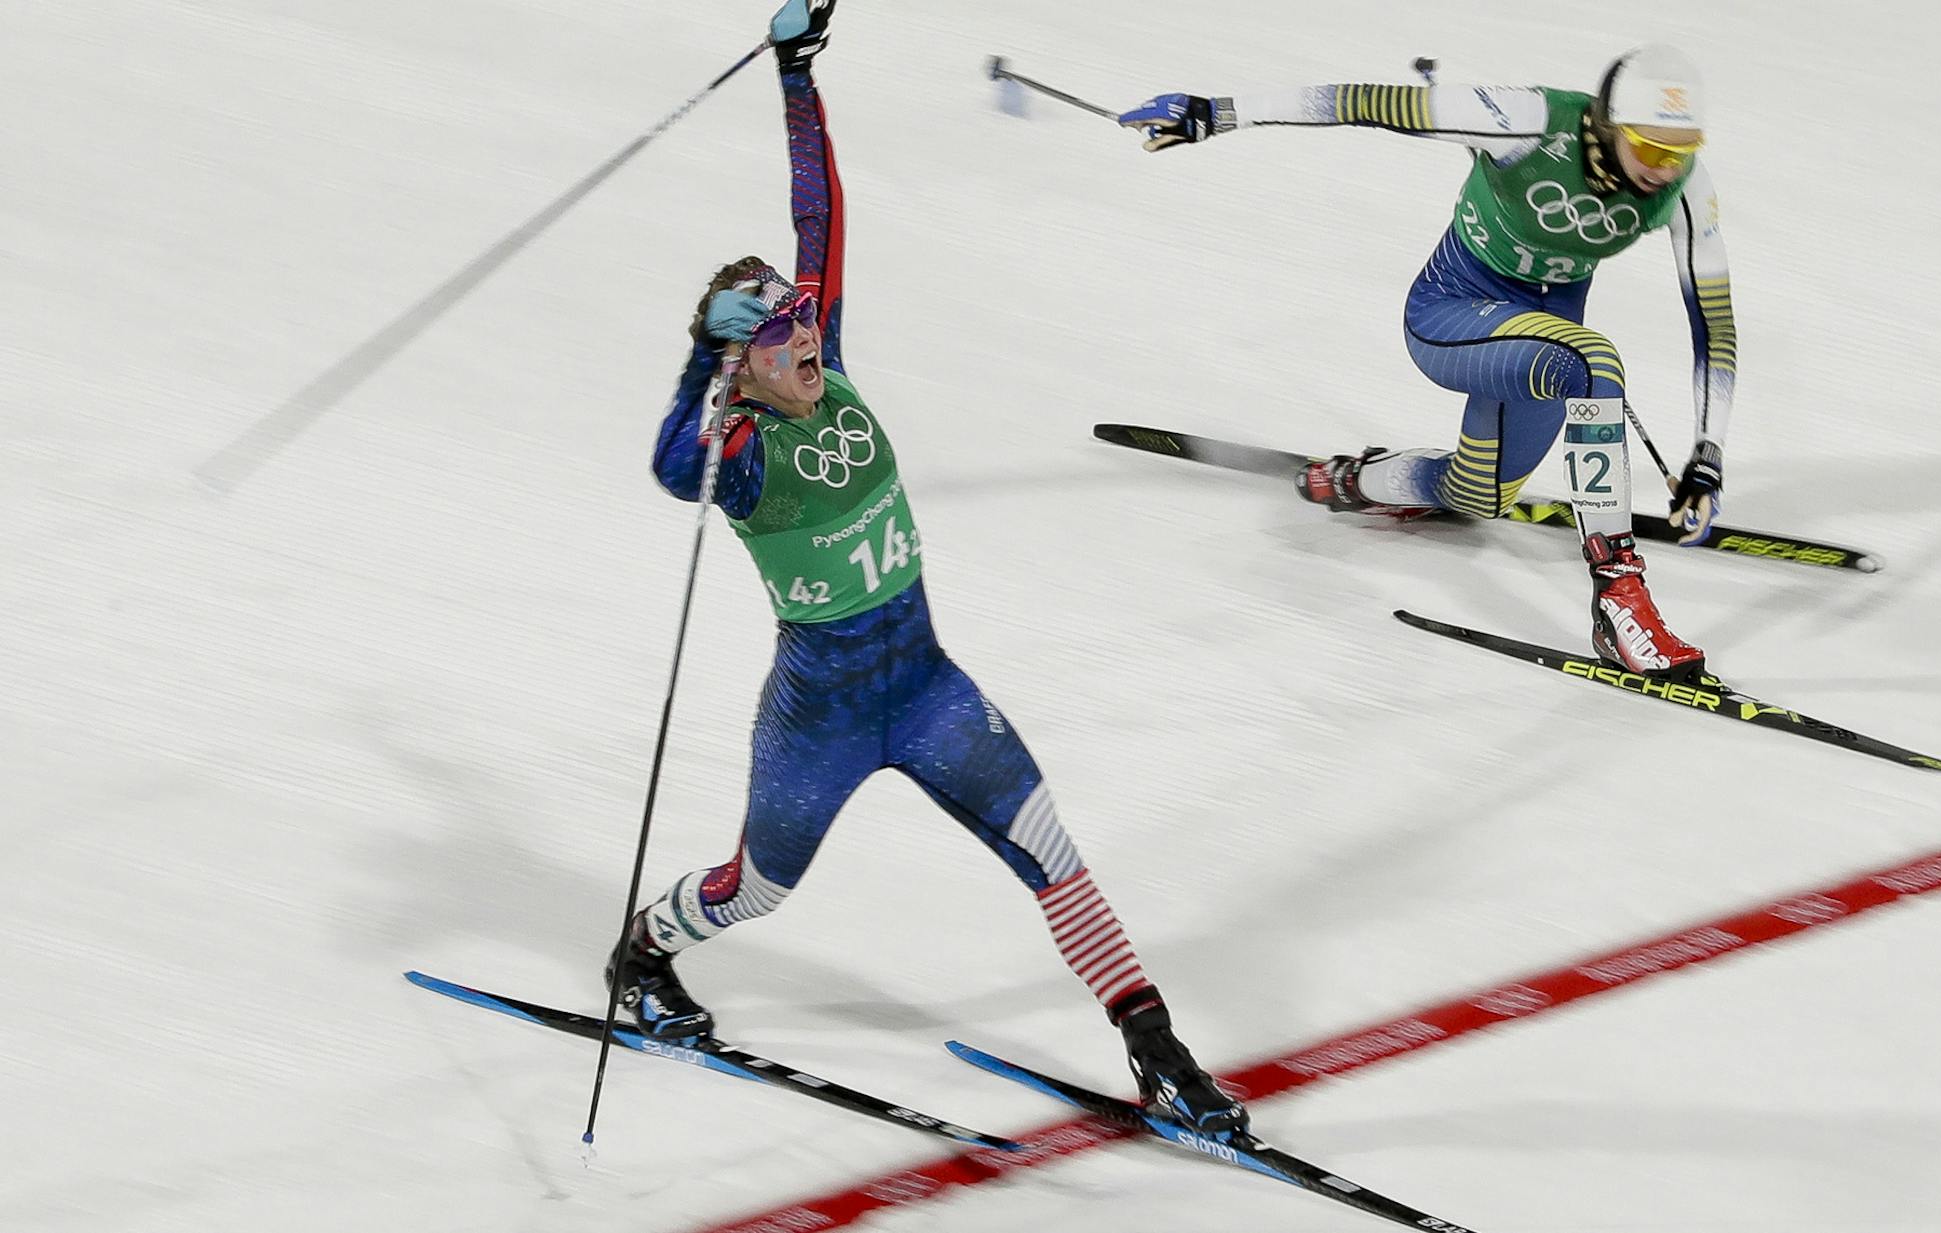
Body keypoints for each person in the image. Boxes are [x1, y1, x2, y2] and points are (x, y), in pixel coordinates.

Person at [608, 0, 1249, 1141]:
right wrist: (694, 360)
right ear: (737, 367)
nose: (805, 336)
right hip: (821, 717)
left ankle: (1160, 1053)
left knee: (1052, 851)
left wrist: (797, 75)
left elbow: (821, 211)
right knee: (759, 887)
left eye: (804, 318)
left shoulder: (830, 363)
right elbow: (668, 472)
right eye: (778, 335)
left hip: (927, 686)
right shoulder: (738, 453)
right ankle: (642, 954)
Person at [1118, 44, 1736, 681]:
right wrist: (1219, 112)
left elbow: (1713, 320)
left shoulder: (1688, 188)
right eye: (1652, 148)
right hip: (1452, 316)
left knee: (1479, 497)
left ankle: (1365, 480)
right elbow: (1365, 104)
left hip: (1536, 351)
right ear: (1608, 124)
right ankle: (1620, 599)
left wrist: (1708, 452)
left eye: (1680, 152)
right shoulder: (1525, 121)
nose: (1665, 169)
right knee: (1591, 359)